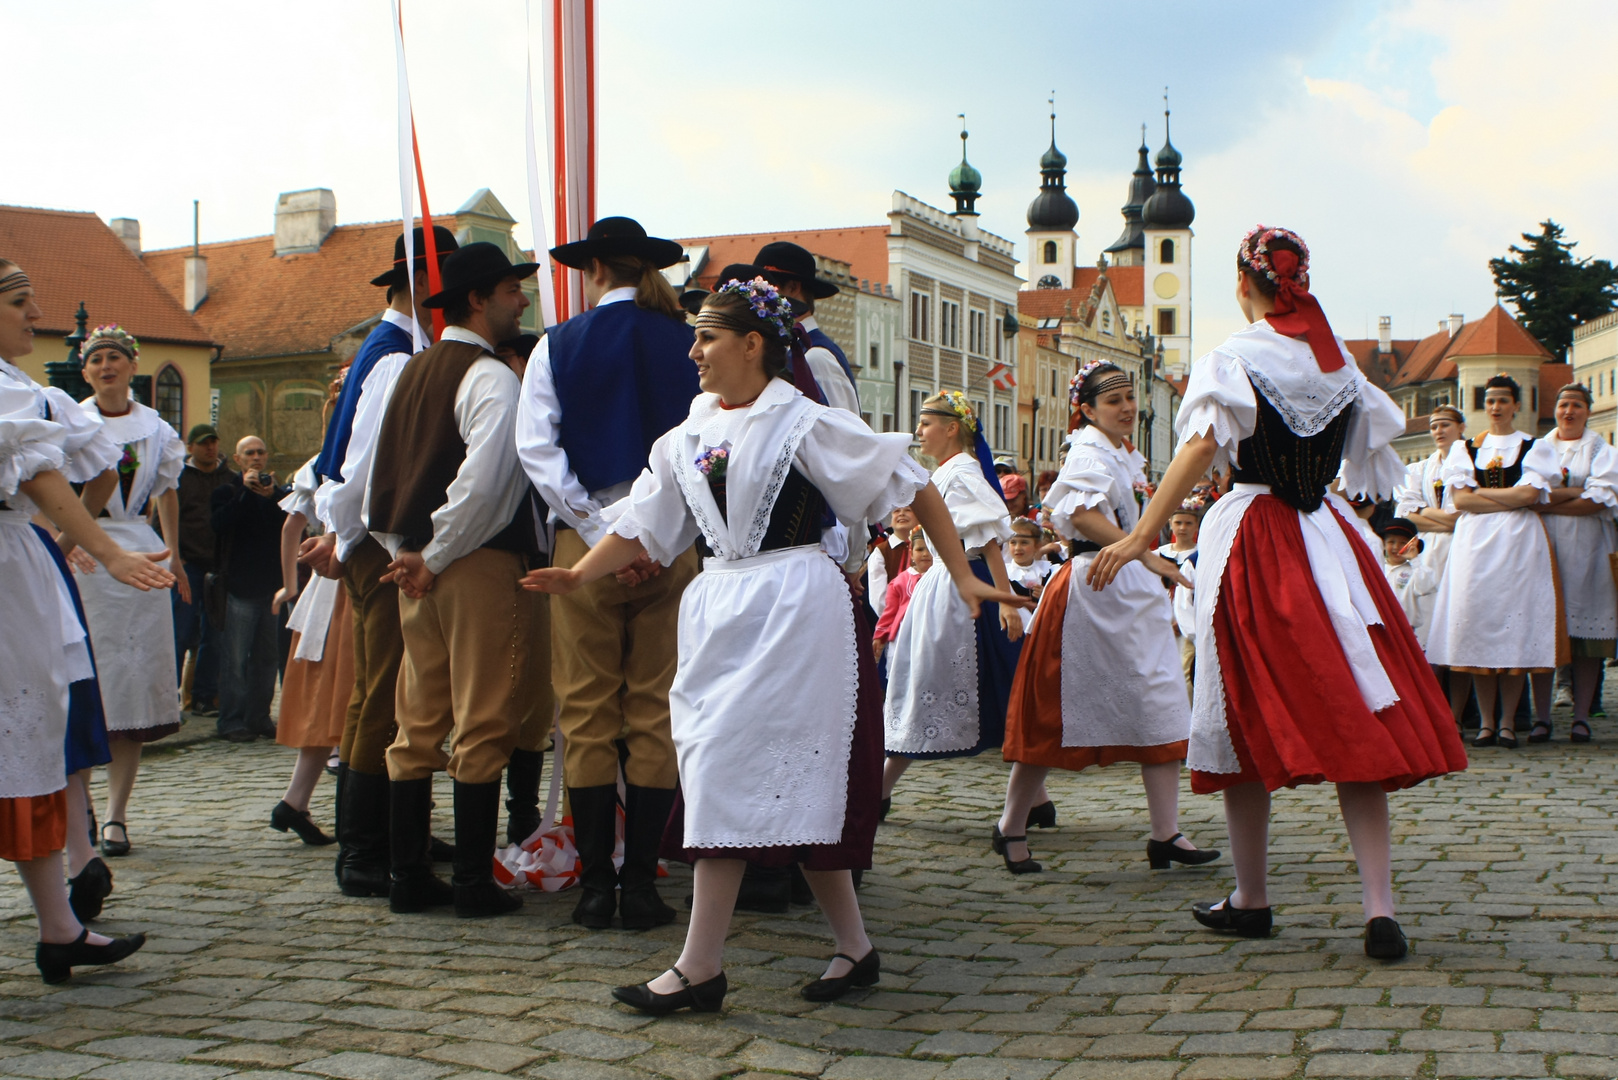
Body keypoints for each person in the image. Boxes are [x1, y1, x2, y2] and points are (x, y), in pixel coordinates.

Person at [524, 277, 1026, 1014]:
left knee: (752, 772)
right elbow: (641, 517)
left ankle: (701, 966)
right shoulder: (688, 433)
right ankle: (854, 948)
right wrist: (578, 574)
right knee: (759, 777)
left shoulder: (803, 421)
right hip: (719, 604)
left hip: (793, 603)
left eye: (707, 337)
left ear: (753, 345)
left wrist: (963, 573)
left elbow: (910, 480)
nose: (693, 350)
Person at [1087, 225, 1467, 960]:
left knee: (1237, 710)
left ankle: (1253, 896)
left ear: (1244, 282)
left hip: (1256, 535)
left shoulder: (1236, 356)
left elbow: (1201, 447)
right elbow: (1370, 462)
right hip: (1328, 534)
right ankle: (1378, 907)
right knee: (1359, 704)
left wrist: (1140, 536)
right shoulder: (1338, 365)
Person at [515, 216, 698, 931]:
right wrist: (651, 534)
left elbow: (538, 452)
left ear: (592, 271)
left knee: (588, 712)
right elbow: (702, 453)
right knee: (654, 711)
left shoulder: (556, 345)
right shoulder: (687, 344)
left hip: (581, 552)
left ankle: (596, 887)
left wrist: (600, 531)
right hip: (671, 547)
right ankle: (645, 887)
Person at [367, 241, 546, 919]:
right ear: (478, 298)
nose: (520, 300)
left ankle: (408, 876)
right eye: (510, 290)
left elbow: (383, 474)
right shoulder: (491, 377)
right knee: (484, 717)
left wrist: (404, 550)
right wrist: (436, 555)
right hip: (469, 562)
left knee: (417, 720)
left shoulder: (412, 371)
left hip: (416, 563)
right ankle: (472, 881)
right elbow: (487, 485)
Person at [0, 255, 166, 981]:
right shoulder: (15, 396)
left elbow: (96, 462)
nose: (34, 317)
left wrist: (61, 537)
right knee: (21, 733)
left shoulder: (25, 392)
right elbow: (41, 472)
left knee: (30, 738)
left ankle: (61, 923)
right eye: (19, 302)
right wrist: (100, 547)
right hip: (9, 569)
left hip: (18, 557)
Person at [999, 361, 1217, 876]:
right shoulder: (1088, 449)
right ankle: (1010, 824)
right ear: (1087, 409)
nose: (1126, 407)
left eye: (1129, 397)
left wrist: (1144, 560)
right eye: (1113, 399)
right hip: (1093, 591)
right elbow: (1080, 517)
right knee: (1058, 709)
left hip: (1132, 592)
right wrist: (1145, 554)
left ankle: (1166, 833)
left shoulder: (1123, 453)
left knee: (1160, 702)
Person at [302, 226, 459, 899]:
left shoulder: (394, 347)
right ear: (423, 285)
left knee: (389, 691)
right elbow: (361, 462)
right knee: (386, 694)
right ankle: (366, 848)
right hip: (380, 541)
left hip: (369, 537)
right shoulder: (395, 355)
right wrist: (346, 538)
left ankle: (396, 832)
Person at [70, 325, 187, 862]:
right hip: (83, 551)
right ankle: (83, 804)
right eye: (97, 359)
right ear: (85, 368)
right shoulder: (70, 421)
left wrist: (175, 553)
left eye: (115, 357)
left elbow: (165, 491)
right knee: (88, 680)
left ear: (131, 365)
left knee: (133, 685)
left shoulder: (155, 428)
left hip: (140, 545)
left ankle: (116, 814)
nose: (106, 366)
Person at [881, 392, 1025, 811]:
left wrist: (1006, 602)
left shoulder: (961, 473)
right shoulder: (945, 473)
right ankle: (1036, 802)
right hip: (946, 586)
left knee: (972, 686)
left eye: (926, 423)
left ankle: (880, 792)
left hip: (967, 589)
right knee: (951, 688)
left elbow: (987, 541)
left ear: (952, 428)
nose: (918, 432)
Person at [1424, 374, 1563, 748]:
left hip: (1519, 543)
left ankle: (1507, 721)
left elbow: (1532, 495)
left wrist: (1483, 493)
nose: (1496, 407)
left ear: (1517, 404)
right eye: (1490, 401)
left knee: (1514, 628)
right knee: (1479, 625)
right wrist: (1508, 495)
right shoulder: (1465, 448)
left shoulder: (1534, 447)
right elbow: (1462, 501)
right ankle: (1486, 722)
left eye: (1503, 400)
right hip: (1475, 546)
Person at [268, 424, 350, 847]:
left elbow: (290, 529)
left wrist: (292, 585)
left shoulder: (318, 463)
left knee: (326, 697)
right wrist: (292, 585)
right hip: (345, 584)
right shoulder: (343, 460)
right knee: (348, 695)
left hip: (321, 589)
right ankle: (366, 807)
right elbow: (289, 529)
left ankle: (294, 801)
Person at [1524, 384, 1617, 743]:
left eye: (1576, 405)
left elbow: (1599, 499)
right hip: (1544, 546)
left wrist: (1549, 501)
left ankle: (1581, 716)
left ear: (1587, 411)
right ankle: (1542, 716)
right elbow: (1530, 492)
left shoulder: (1601, 450)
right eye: (1563, 404)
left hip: (1589, 548)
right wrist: (1573, 493)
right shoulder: (1539, 447)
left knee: (1586, 636)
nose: (1568, 411)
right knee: (1544, 633)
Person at [210, 436, 288, 743]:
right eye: (249, 454)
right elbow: (220, 525)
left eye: (260, 452)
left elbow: (288, 524)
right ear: (238, 459)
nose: (256, 458)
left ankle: (259, 717)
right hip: (239, 587)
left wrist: (270, 496)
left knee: (267, 660)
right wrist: (245, 490)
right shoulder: (226, 492)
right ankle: (231, 720)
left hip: (272, 589)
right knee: (235, 660)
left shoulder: (278, 494)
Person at [755, 241, 861, 416]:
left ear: (793, 288)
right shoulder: (793, 350)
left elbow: (844, 433)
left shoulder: (816, 357)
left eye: (765, 290)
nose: (758, 300)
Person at [172, 423, 235, 715]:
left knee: (214, 635)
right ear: (191, 448)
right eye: (203, 443)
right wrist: (176, 558)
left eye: (213, 442)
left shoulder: (230, 479)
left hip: (219, 569)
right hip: (188, 567)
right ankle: (168, 694)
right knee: (181, 632)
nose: (209, 447)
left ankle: (204, 697)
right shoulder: (179, 479)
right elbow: (166, 520)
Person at [1156, 499, 1202, 689]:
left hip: (1188, 617)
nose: (1183, 528)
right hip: (1161, 616)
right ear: (1170, 524)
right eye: (1178, 523)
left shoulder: (1200, 555)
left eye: (1188, 523)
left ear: (1196, 526)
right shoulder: (1158, 555)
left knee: (1184, 670)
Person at [872, 531, 931, 665]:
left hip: (931, 635)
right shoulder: (900, 581)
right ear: (911, 553)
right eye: (920, 549)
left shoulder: (944, 578)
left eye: (930, 549)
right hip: (904, 637)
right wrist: (880, 636)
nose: (925, 554)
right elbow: (890, 612)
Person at [1379, 518, 1434, 644]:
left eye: (1403, 543)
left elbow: (1424, 587)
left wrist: (1414, 560)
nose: (1396, 547)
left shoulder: (1416, 570)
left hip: (1405, 631)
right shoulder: (1378, 567)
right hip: (1381, 629)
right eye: (1391, 541)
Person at [865, 505, 915, 620]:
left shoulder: (927, 547)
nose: (902, 513)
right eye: (897, 511)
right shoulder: (881, 551)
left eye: (908, 510)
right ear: (889, 521)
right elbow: (878, 598)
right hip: (895, 622)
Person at [1003, 517, 1052, 630]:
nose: (1017, 548)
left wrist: (1047, 595)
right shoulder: (1004, 573)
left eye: (1024, 542)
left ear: (1037, 546)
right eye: (1013, 542)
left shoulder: (1048, 572)